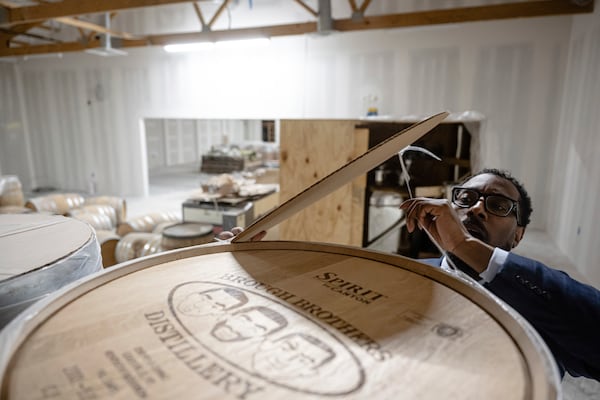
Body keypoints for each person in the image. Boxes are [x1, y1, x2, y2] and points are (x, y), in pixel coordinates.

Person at [400, 168, 600, 381]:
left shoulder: (543, 299)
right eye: (466, 199)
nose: (477, 209)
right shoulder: (405, 274)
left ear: (518, 236)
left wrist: (465, 245)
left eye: (498, 206)